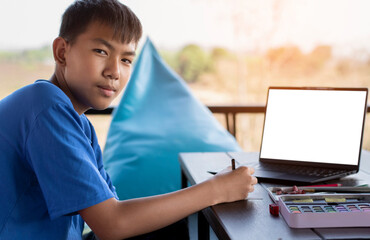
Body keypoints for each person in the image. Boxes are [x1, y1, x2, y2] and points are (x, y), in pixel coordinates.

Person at [0, 0, 258, 239]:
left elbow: (116, 211)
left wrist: (215, 188)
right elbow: (111, 224)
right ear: (62, 52)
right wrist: (215, 190)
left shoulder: (80, 126)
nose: (114, 72)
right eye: (101, 51)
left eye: (126, 60)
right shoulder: (45, 108)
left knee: (179, 226)